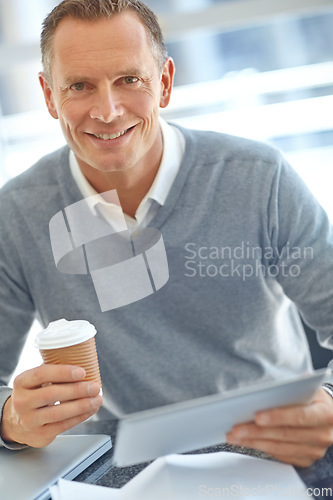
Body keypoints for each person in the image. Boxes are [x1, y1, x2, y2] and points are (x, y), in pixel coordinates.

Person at [0, 0, 332, 468]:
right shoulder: (17, 215)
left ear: (165, 82)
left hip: (272, 448)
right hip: (115, 467)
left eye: (129, 80)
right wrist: (11, 419)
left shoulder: (259, 179)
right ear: (50, 96)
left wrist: (330, 404)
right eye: (79, 85)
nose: (108, 111)